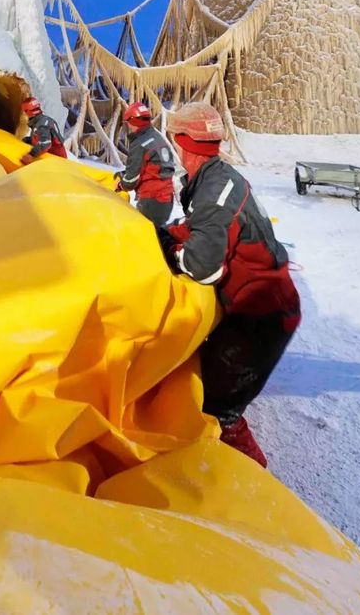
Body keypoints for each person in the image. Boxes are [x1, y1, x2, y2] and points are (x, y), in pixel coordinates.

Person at [157, 101, 301, 467]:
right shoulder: (217, 178)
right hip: (260, 307)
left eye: (175, 141)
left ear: (182, 141)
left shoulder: (214, 192)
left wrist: (173, 253)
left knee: (218, 409)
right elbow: (211, 228)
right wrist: (170, 232)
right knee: (203, 383)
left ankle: (249, 484)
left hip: (261, 316)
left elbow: (204, 267)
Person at [117, 101, 176, 226]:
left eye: (128, 123)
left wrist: (121, 184)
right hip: (167, 199)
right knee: (158, 236)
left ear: (133, 121)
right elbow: (152, 166)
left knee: (146, 240)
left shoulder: (139, 143)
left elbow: (131, 180)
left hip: (151, 201)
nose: (129, 127)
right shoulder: (156, 137)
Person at [21, 96, 67, 162]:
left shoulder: (42, 125)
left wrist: (31, 154)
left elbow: (45, 143)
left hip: (57, 161)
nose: (24, 115)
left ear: (28, 112)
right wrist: (29, 140)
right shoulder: (41, 122)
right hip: (51, 159)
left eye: (24, 112)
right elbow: (40, 137)